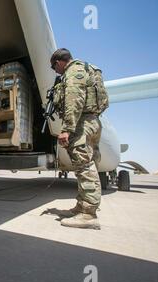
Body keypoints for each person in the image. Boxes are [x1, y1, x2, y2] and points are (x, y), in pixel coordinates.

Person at [51, 48, 109, 230]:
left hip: (82, 124)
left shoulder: (73, 71)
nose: (55, 71)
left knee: (84, 167)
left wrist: (67, 129)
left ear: (59, 62)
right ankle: (81, 207)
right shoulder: (87, 68)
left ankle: (88, 215)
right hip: (92, 122)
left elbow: (74, 100)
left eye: (54, 67)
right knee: (85, 165)